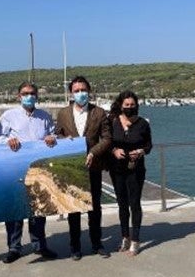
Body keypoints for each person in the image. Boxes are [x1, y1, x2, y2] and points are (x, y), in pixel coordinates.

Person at [0, 82, 59, 263]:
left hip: (39, 169)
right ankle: (14, 248)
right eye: (25, 93)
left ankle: (40, 245)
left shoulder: (44, 116)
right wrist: (8, 140)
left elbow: (53, 136)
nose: (29, 96)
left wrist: (52, 138)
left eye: (32, 93)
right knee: (15, 210)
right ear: (18, 96)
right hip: (15, 167)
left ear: (37, 96)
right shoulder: (8, 116)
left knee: (39, 208)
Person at [55, 76, 112, 260]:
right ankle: (75, 246)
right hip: (73, 167)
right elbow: (57, 135)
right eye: (77, 90)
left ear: (89, 91)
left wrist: (93, 153)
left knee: (95, 207)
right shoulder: (63, 113)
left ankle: (97, 243)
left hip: (93, 166)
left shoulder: (100, 112)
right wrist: (64, 141)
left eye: (83, 90)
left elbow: (107, 138)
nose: (80, 93)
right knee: (74, 208)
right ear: (71, 92)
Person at [107, 90, 152, 256]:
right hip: (117, 169)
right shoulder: (113, 121)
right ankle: (125, 237)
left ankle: (135, 240)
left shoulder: (142, 124)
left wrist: (141, 151)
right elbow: (107, 141)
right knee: (122, 204)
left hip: (136, 169)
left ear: (136, 106)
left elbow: (149, 146)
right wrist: (114, 151)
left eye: (132, 105)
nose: (129, 107)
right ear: (121, 105)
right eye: (126, 105)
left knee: (135, 204)